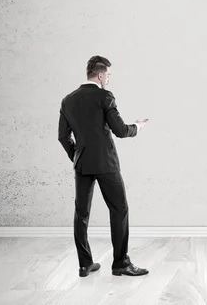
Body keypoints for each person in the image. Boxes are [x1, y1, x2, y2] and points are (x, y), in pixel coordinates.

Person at [58, 55, 149, 277]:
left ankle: (84, 264)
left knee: (81, 213)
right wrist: (136, 127)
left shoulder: (68, 100)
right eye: (108, 75)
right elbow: (119, 130)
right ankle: (120, 264)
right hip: (106, 163)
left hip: (82, 164)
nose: (108, 79)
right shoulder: (104, 96)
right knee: (119, 209)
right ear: (100, 75)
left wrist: (78, 156)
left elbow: (63, 137)